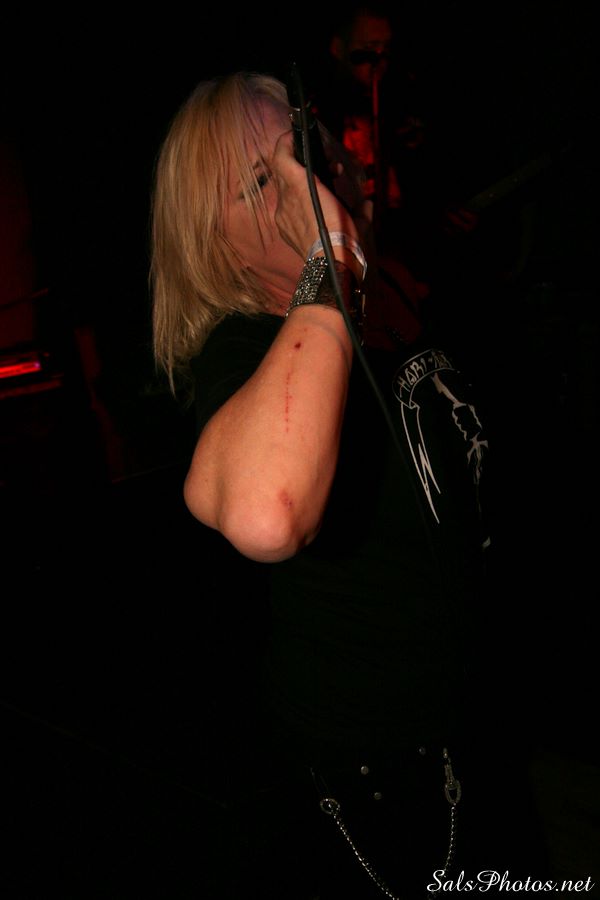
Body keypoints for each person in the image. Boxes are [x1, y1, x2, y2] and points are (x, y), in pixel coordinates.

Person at [149, 70, 543, 899]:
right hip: (379, 775)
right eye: (263, 181)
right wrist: (326, 260)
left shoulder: (383, 287)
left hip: (478, 720)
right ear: (217, 246)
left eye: (304, 148)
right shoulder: (243, 345)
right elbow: (264, 513)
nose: (309, 182)